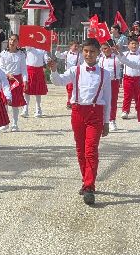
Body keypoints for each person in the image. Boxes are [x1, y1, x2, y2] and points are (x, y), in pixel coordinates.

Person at [48, 38, 112, 206]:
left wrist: (107, 122)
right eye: (86, 51)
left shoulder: (105, 73)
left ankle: (90, 187)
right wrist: (54, 70)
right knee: (80, 150)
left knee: (91, 150)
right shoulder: (75, 70)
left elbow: (108, 99)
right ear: (82, 52)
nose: (88, 54)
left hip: (95, 113)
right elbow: (58, 81)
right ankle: (86, 180)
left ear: (98, 53)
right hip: (77, 112)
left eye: (92, 51)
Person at [0, 34, 28, 132]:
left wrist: (25, 81)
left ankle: (15, 123)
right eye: (11, 40)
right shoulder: (3, 54)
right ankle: (5, 122)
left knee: (15, 103)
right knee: (5, 102)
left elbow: (24, 69)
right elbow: (1, 67)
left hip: (16, 80)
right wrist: (7, 74)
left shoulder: (21, 54)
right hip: (5, 80)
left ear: (17, 43)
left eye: (14, 40)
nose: (12, 42)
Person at [99, 41, 122, 131]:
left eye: (105, 48)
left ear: (110, 48)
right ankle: (102, 120)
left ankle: (112, 120)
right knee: (101, 101)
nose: (104, 50)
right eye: (102, 49)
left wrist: (118, 52)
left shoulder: (116, 57)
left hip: (114, 81)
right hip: (102, 82)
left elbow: (123, 60)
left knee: (113, 102)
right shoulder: (100, 58)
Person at [23, 44, 51, 117]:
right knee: (27, 90)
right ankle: (25, 109)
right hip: (29, 70)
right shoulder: (29, 47)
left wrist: (48, 60)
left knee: (38, 91)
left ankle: (38, 109)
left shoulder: (43, 48)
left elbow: (46, 58)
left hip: (39, 71)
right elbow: (25, 44)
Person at [56, 41, 83, 109]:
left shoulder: (80, 55)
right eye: (75, 46)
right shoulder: (67, 53)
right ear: (70, 46)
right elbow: (58, 55)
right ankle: (71, 101)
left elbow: (83, 63)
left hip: (76, 73)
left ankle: (70, 102)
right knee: (69, 88)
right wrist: (57, 51)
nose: (76, 47)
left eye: (77, 46)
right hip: (68, 73)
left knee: (72, 88)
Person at [121, 38, 140, 119]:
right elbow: (117, 59)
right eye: (132, 43)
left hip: (138, 78)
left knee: (139, 95)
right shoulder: (125, 54)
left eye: (136, 44)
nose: (134, 45)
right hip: (127, 78)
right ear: (128, 45)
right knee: (127, 95)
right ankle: (125, 110)